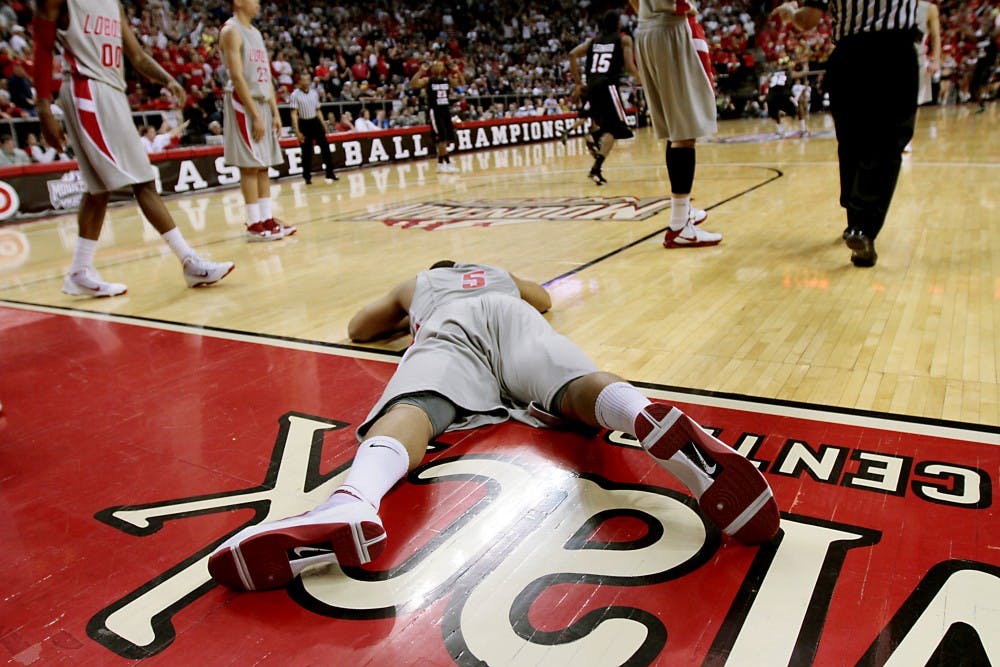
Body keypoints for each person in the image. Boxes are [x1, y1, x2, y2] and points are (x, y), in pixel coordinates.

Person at [208, 261, 781, 591]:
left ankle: (353, 499)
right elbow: (545, 299)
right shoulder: (500, 277)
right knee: (575, 386)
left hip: (449, 326)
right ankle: (637, 413)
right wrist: (509, 285)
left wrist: (404, 309)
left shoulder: (418, 284)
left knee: (416, 406)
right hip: (512, 318)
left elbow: (359, 329)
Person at [33, 0, 234, 297]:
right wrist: (43, 108)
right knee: (143, 181)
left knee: (98, 189)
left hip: (112, 92)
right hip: (86, 90)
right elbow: (43, 47)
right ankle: (189, 261)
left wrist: (168, 80)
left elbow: (137, 57)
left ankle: (79, 272)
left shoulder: (113, 3)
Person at [775, 0, 920, 268]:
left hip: (848, 57)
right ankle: (863, 228)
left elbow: (808, 19)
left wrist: (791, 14)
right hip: (894, 52)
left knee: (852, 141)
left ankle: (854, 220)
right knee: (888, 142)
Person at [628, 0, 723, 249]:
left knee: (674, 128)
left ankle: (683, 211)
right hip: (670, 28)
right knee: (685, 129)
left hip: (647, 30)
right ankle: (679, 226)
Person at [220, 0, 295, 242]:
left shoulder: (257, 33)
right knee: (250, 165)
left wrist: (274, 113)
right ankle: (254, 224)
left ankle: (266, 219)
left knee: (264, 165)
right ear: (238, 2)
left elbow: (267, 76)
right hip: (244, 103)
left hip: (262, 102)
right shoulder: (231, 31)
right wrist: (253, 113)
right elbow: (237, 76)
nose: (259, 3)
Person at [568, 10, 639, 186]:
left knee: (611, 130)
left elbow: (572, 55)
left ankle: (596, 167)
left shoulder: (593, 41)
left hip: (592, 88)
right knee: (618, 128)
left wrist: (578, 83)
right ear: (618, 24)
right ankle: (595, 141)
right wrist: (644, 80)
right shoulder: (624, 39)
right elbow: (630, 67)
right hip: (608, 86)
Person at [410, 59, 465, 173]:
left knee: (447, 139)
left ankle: (440, 164)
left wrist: (457, 71)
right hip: (435, 111)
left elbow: (462, 83)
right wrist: (420, 71)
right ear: (433, 68)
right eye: (437, 65)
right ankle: (448, 163)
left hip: (446, 110)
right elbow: (413, 84)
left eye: (441, 65)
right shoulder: (428, 80)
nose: (439, 67)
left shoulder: (447, 79)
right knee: (442, 138)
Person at [289, 71, 336, 184]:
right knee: (306, 152)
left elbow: (318, 110)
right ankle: (307, 176)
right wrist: (297, 130)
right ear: (299, 81)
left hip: (315, 121)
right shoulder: (295, 95)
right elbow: (294, 113)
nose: (306, 81)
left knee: (325, 148)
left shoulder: (314, 93)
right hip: (304, 123)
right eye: (304, 79)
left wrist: (323, 124)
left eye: (308, 79)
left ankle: (330, 173)